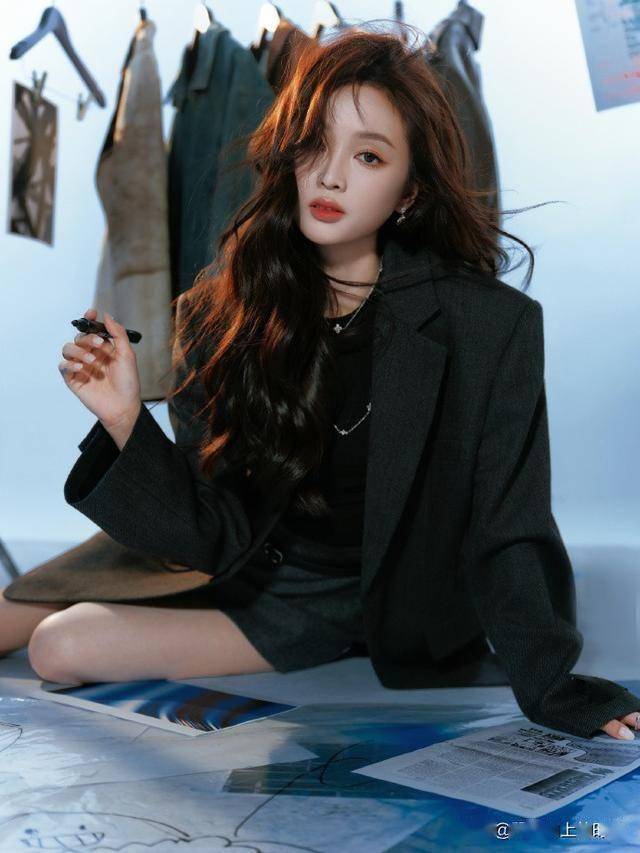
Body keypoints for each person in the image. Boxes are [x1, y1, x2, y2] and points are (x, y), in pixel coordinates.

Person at [3, 26, 639, 742]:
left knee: (58, 647)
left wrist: (558, 688)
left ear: (409, 191)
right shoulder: (220, 311)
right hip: (219, 551)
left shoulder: (487, 325)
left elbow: (509, 528)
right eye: (314, 145)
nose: (331, 176)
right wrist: (125, 420)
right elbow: (209, 524)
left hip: (324, 600)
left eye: (368, 156)